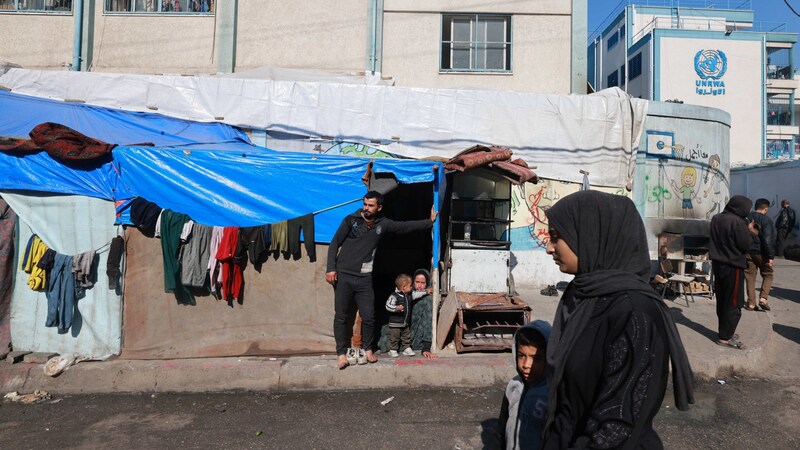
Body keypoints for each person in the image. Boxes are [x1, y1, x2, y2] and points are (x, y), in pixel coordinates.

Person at [541, 190, 693, 449]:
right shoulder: (583, 295)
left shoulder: (635, 315)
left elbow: (617, 426)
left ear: (591, 237)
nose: (549, 248)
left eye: (557, 237)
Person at [326, 190, 436, 370]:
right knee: (341, 316)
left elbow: (404, 227)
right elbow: (334, 244)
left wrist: (428, 222)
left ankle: (368, 349)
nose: (366, 208)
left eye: (370, 205)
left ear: (379, 207)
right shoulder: (351, 220)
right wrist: (330, 268)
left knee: (369, 315)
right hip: (344, 275)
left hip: (364, 279)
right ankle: (340, 353)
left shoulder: (382, 224)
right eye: (365, 204)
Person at [710, 195, 759, 349]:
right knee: (734, 301)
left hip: (718, 264)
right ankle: (725, 337)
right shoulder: (737, 222)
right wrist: (750, 232)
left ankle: (725, 331)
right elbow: (745, 245)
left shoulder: (716, 218)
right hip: (733, 266)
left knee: (722, 298)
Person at [493, 320, 551, 450]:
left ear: (549, 357)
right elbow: (501, 430)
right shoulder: (513, 386)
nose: (526, 365)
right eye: (521, 356)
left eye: (536, 358)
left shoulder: (551, 394)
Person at [745, 198, 775, 312]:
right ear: (766, 209)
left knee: (750, 277)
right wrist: (770, 257)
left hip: (748, 251)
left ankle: (751, 304)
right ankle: (763, 299)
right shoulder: (766, 220)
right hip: (761, 252)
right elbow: (768, 240)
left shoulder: (747, 218)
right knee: (768, 274)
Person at [385, 273, 415, 358]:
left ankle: (407, 348)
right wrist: (396, 308)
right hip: (395, 323)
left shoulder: (409, 295)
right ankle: (393, 350)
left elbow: (417, 294)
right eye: (410, 285)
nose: (412, 287)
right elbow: (387, 306)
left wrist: (426, 291)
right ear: (404, 287)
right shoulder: (394, 296)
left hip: (405, 322)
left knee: (406, 336)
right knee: (394, 337)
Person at [409, 269, 437, 359]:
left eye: (423, 283)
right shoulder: (408, 294)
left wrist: (426, 348)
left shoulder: (428, 300)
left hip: (416, 337)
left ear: (427, 283)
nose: (419, 286)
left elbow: (428, 322)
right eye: (417, 282)